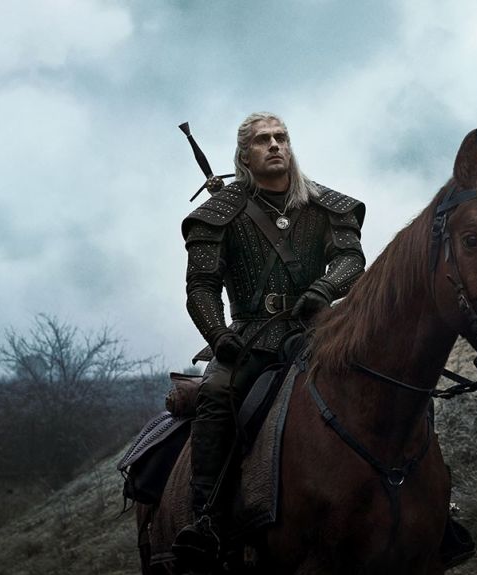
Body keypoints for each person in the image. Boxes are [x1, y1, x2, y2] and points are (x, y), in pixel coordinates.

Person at [173, 112, 366, 567]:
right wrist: (219, 336)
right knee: (218, 393)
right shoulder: (217, 215)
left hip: (318, 330)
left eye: (282, 138)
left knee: (384, 371)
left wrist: (322, 289)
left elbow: (351, 258)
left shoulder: (325, 205)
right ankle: (205, 518)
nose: (275, 145)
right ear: (245, 154)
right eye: (263, 140)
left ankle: (427, 501)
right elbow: (200, 288)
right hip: (251, 338)